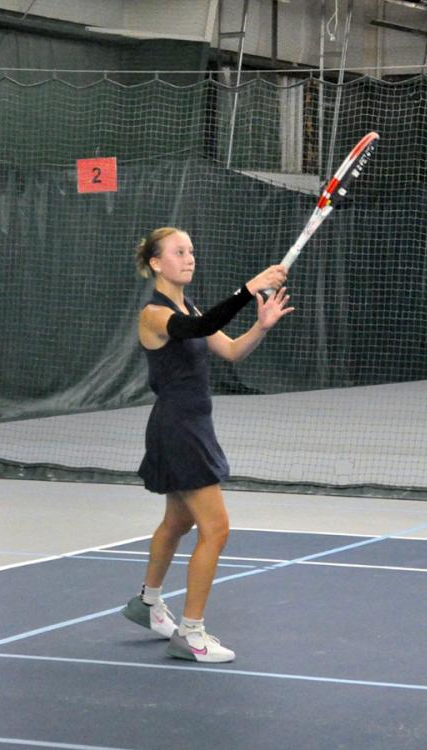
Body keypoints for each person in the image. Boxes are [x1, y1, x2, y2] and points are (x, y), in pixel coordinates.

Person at [122, 227, 293, 663]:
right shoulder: (154, 314)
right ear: (157, 263)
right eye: (179, 252)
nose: (189, 258)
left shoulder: (189, 304)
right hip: (178, 428)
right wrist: (247, 289)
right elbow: (199, 328)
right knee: (216, 530)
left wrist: (261, 325)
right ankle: (190, 633)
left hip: (193, 425)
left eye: (192, 251)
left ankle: (147, 604)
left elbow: (232, 350)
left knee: (178, 523)